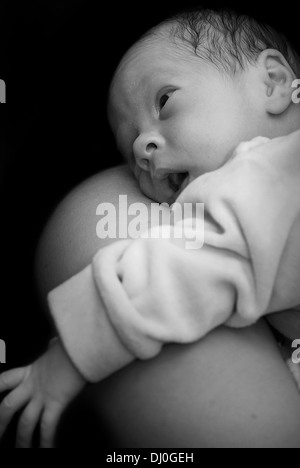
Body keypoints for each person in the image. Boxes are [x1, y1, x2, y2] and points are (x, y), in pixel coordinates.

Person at [1, 7, 300, 448]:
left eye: (164, 102)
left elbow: (179, 268)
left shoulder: (263, 178)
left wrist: (72, 354)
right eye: (129, 147)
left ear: (273, 81)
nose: (143, 146)